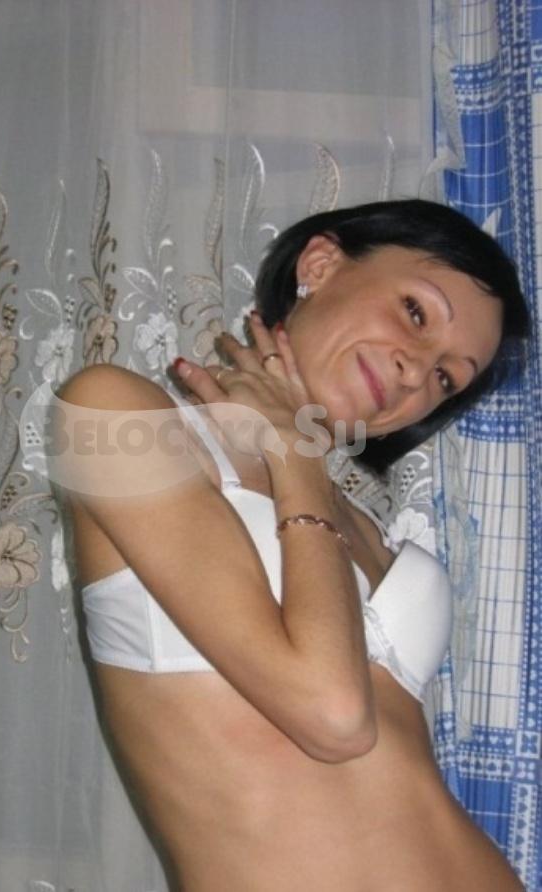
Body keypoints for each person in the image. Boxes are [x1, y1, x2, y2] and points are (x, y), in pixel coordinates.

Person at [57, 200, 530, 891]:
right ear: (321, 263)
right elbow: (333, 718)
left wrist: (298, 459)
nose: (415, 372)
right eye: (416, 313)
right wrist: (296, 456)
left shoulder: (360, 524)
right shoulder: (118, 415)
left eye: (445, 377)